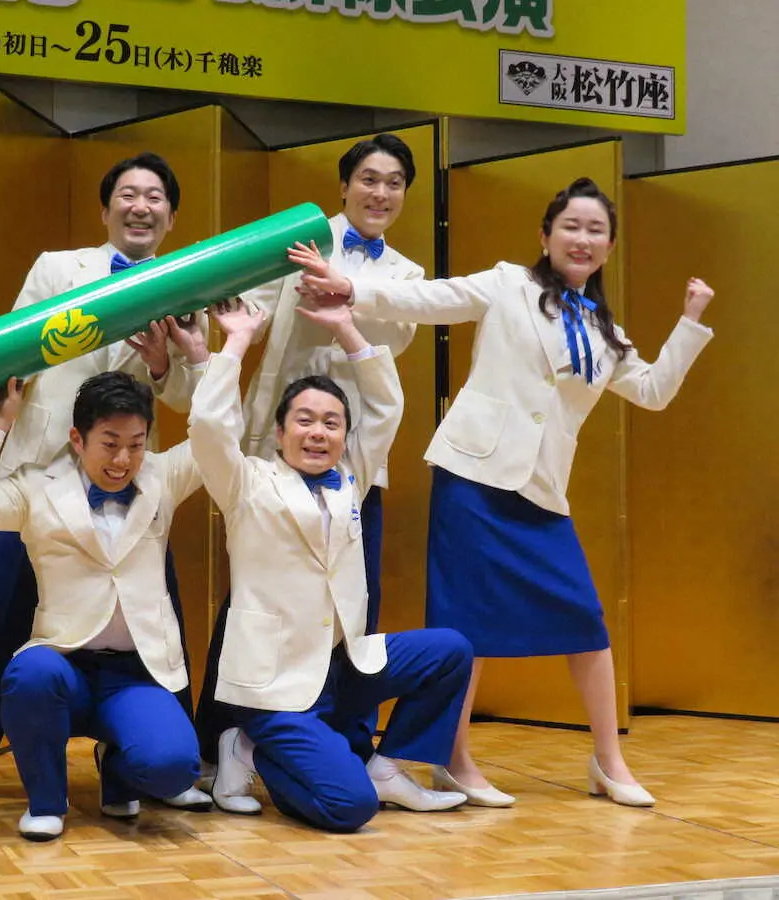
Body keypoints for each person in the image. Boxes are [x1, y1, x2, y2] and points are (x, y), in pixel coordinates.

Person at [292, 177, 715, 807]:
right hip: (473, 475)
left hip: (542, 492)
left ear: (609, 247)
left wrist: (689, 322)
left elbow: (652, 391)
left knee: (587, 622)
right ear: (545, 236)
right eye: (570, 225)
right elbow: (428, 299)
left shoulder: (604, 328)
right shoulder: (507, 283)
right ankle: (455, 761)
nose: (582, 238)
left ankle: (609, 761)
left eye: (596, 230)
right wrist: (351, 289)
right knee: (470, 625)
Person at [0, 152, 210, 811]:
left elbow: (188, 395)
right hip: (37, 476)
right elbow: (18, 348)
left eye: (154, 197)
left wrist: (160, 367)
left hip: (129, 479)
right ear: (105, 210)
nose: (141, 206)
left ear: (172, 216)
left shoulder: (190, 287)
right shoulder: (56, 268)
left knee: (156, 624)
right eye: (128, 194)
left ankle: (146, 761)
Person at [187, 298, 472, 831]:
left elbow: (387, 406)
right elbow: (206, 423)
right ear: (278, 433)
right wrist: (239, 340)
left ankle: (383, 766)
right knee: (349, 807)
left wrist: (346, 327)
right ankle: (247, 748)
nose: (318, 432)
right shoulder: (245, 483)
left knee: (451, 650)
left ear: (344, 436)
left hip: (343, 664)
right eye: (305, 421)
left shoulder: (351, 480)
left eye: (332, 423)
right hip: (276, 685)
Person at [195, 134, 426, 767]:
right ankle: (215, 745)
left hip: (355, 459)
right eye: (369, 179)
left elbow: (394, 342)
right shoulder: (297, 244)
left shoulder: (407, 276)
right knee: (252, 601)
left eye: (395, 183)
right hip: (276, 456)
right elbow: (251, 310)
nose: (381, 193)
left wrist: (342, 289)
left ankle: (347, 746)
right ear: (344, 184)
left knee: (358, 604)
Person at [0, 360, 210, 840]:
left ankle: (118, 758)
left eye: (135, 445)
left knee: (172, 768)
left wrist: (205, 359)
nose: (122, 460)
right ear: (78, 439)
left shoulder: (163, 477)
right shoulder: (37, 487)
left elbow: (218, 437)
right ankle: (46, 801)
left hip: (134, 674)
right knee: (30, 675)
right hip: (64, 666)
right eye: (109, 444)